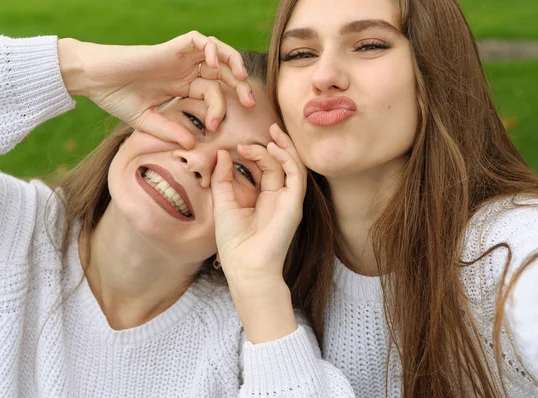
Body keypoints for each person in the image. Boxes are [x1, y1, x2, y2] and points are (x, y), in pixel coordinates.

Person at [243, 0, 538, 396]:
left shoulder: (502, 240)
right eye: (300, 54)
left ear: (434, 69)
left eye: (369, 46)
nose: (324, 76)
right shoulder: (255, 243)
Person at [0, 33, 354, 397]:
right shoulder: (15, 225)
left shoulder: (259, 341)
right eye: (194, 121)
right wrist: (78, 68)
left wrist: (257, 283)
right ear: (139, 118)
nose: (198, 161)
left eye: (244, 171)